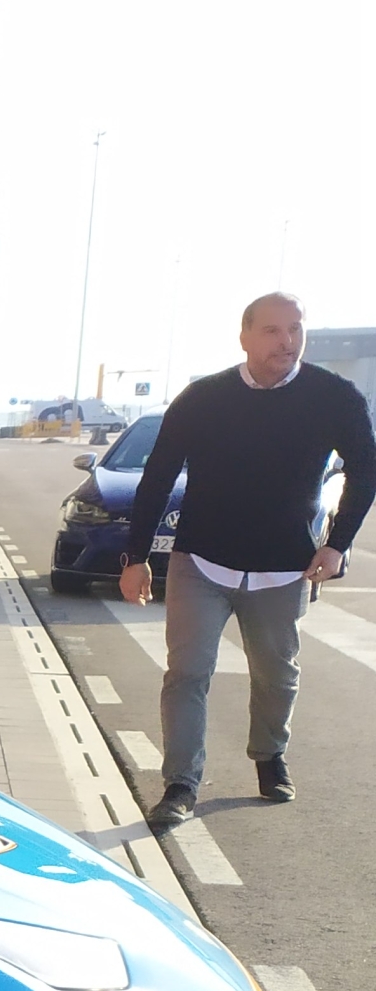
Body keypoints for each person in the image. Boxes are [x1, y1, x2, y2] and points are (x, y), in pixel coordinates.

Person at [120, 293, 376, 824]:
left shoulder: (334, 397)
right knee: (187, 673)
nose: (286, 341)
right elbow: (159, 475)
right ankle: (180, 785)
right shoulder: (204, 398)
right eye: (272, 331)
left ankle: (269, 757)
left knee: (277, 676)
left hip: (286, 568)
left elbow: (366, 470)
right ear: (245, 336)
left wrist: (337, 542)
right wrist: (136, 555)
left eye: (295, 330)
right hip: (203, 562)